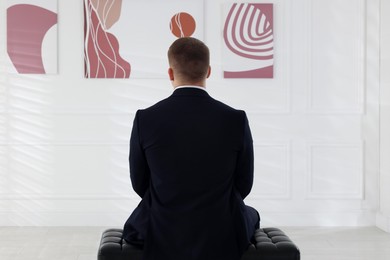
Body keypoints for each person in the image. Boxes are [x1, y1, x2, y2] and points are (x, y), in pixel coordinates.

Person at [122, 37, 260, 260]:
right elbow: (244, 184)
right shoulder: (235, 119)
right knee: (252, 215)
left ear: (170, 73)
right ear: (209, 71)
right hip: (220, 228)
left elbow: (139, 182)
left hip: (164, 226)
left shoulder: (146, 119)